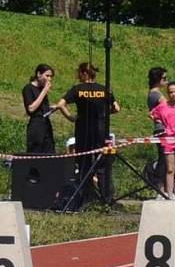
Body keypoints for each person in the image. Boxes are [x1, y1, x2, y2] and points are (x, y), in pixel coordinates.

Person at [54, 62, 120, 204]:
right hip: (101, 131)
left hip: (83, 131)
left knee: (84, 163)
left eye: (78, 72)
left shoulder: (77, 89)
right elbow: (116, 108)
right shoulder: (104, 90)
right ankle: (107, 198)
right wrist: (103, 114)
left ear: (84, 73)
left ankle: (87, 197)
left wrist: (71, 117)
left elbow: (60, 104)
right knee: (102, 165)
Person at [22, 64, 68, 153]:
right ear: (39, 74)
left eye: (51, 77)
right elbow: (31, 108)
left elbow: (43, 109)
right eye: (47, 76)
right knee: (36, 151)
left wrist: (55, 107)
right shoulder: (28, 88)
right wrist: (44, 91)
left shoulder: (42, 89)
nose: (49, 79)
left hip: (46, 124)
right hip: (36, 125)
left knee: (49, 150)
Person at [147, 67, 168, 195]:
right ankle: (159, 186)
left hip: (164, 128)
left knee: (166, 159)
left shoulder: (156, 93)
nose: (166, 81)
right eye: (164, 78)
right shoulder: (156, 94)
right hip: (162, 129)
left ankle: (163, 186)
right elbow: (168, 108)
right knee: (164, 159)